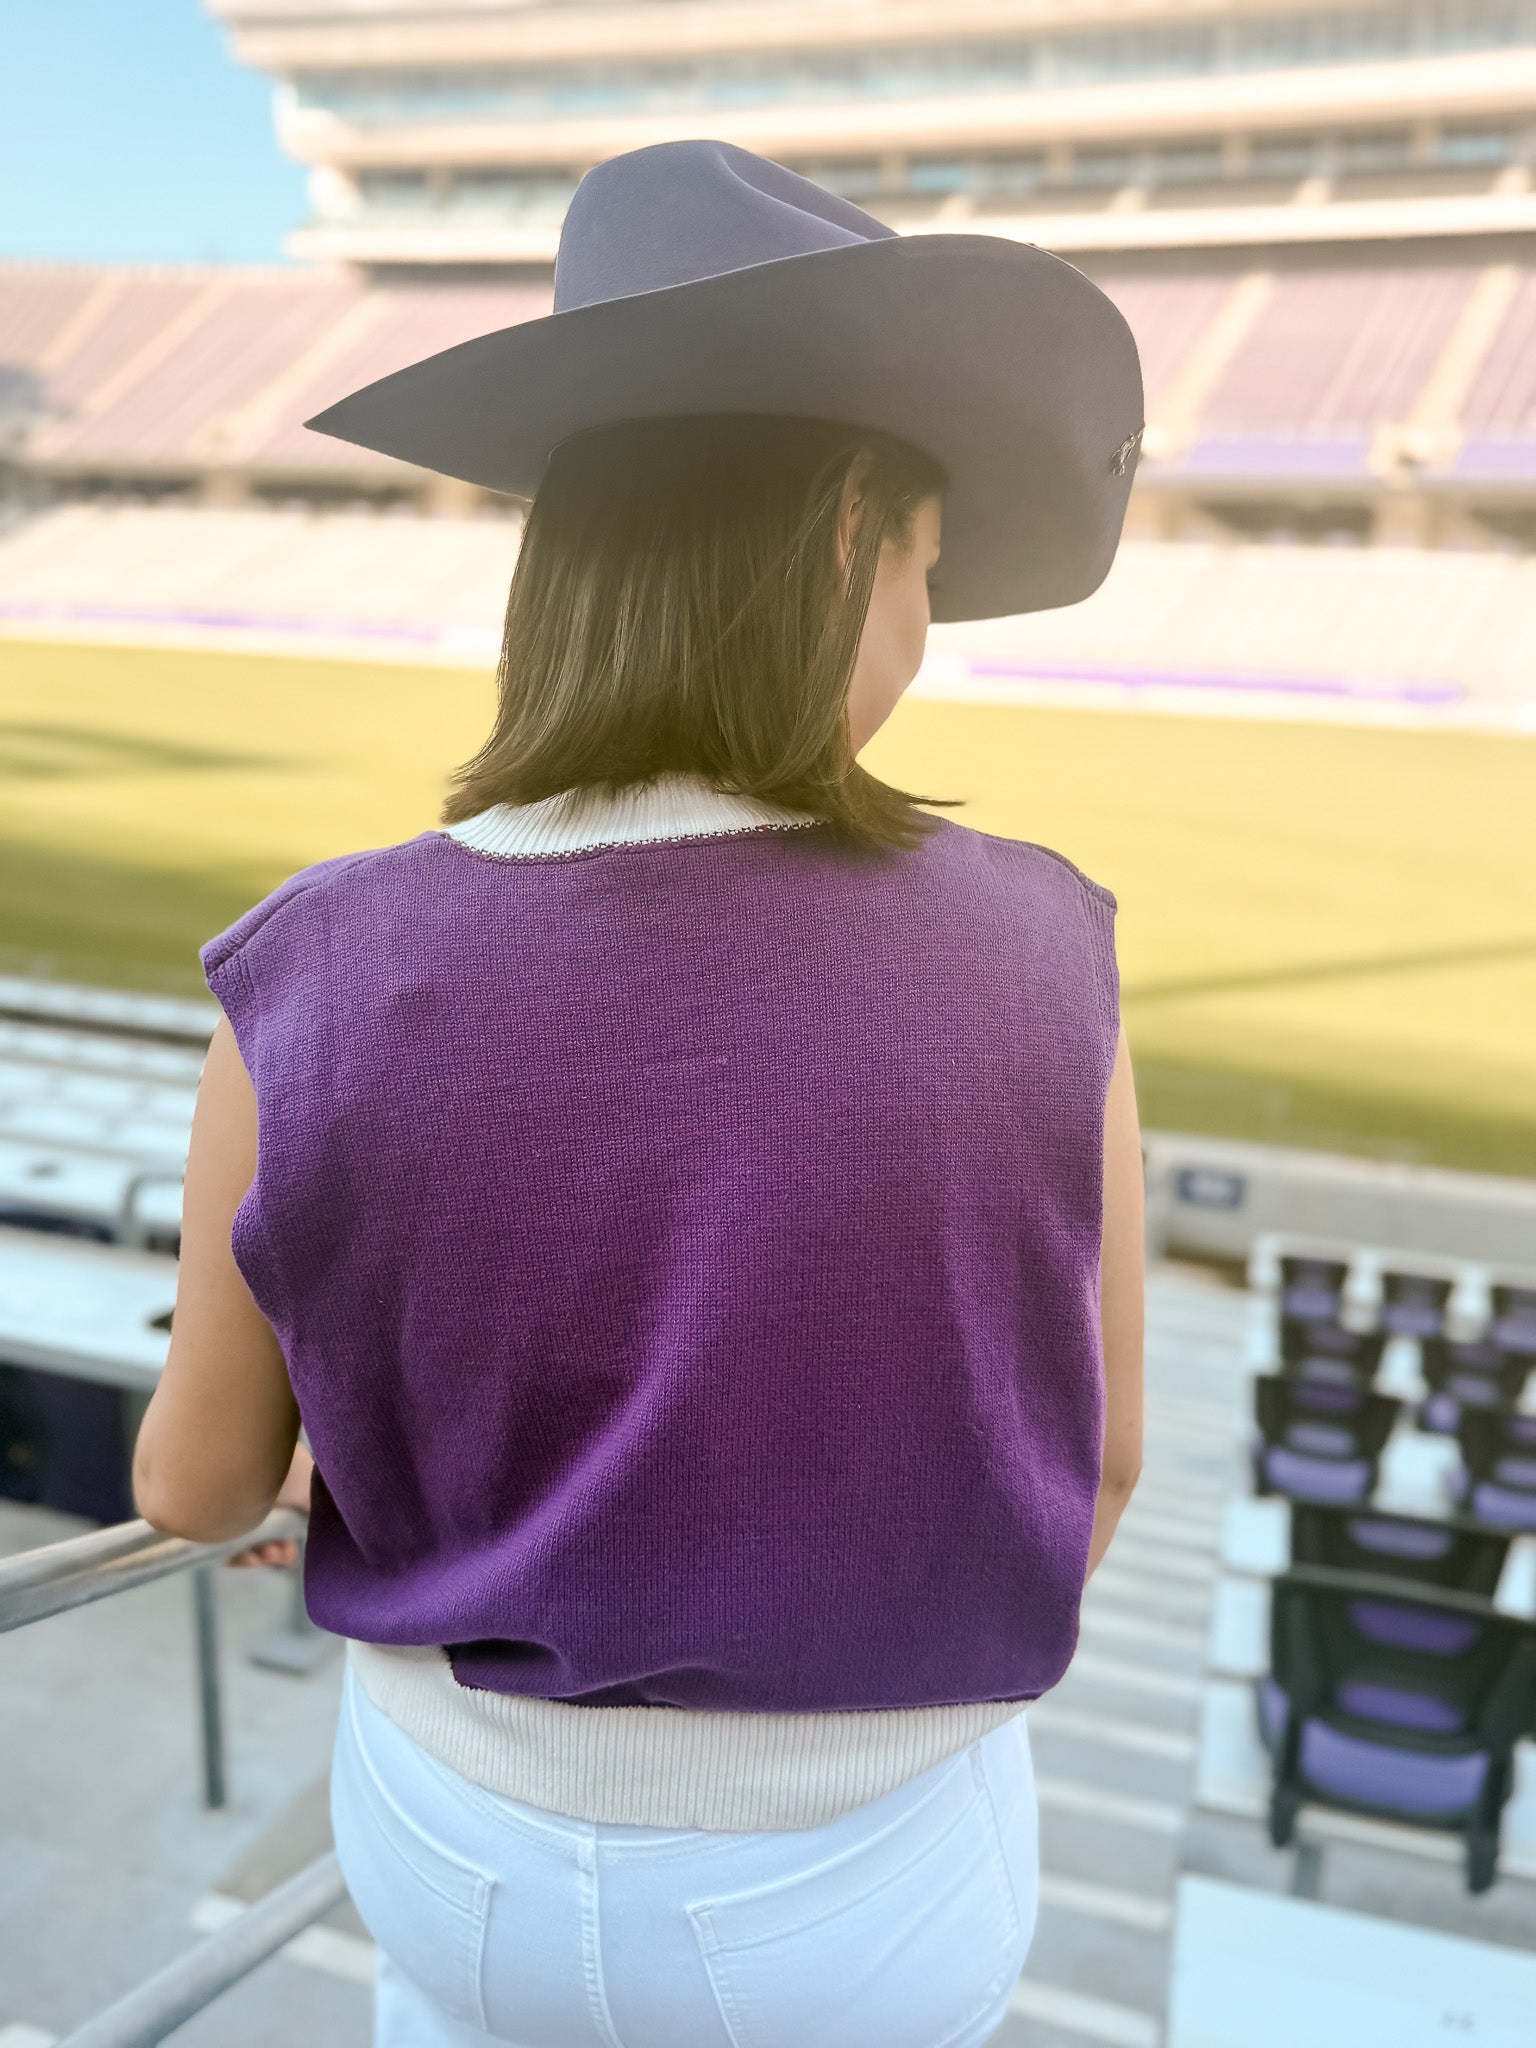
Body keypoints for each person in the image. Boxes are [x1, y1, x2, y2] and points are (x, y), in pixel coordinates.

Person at [132, 141, 1146, 2048]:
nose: (926, 629)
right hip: (856, 1882)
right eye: (927, 566)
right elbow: (1093, 1470)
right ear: (853, 528)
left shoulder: (306, 960)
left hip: (448, 1843)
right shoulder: (1043, 948)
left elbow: (193, 1483)